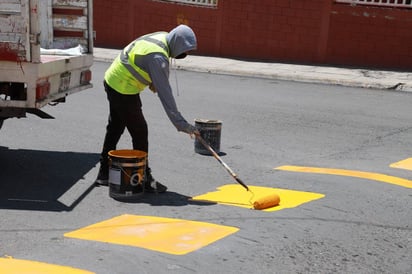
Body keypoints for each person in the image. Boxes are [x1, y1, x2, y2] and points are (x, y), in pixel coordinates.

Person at [95, 24, 199, 193]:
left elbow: (140, 58)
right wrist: (182, 124)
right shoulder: (158, 57)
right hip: (122, 87)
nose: (183, 55)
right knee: (140, 131)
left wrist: (151, 79)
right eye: (183, 51)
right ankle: (144, 178)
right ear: (177, 44)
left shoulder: (163, 37)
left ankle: (103, 173)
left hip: (113, 79)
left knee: (116, 127)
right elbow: (166, 97)